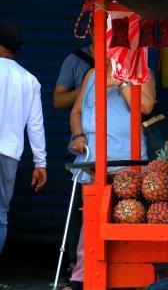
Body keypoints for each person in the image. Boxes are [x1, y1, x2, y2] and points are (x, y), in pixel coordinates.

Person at [65, 56, 155, 290]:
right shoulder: (91, 74)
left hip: (128, 162)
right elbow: (76, 111)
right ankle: (82, 278)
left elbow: (145, 106)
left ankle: (127, 277)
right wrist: (77, 135)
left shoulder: (142, 72)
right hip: (93, 161)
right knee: (91, 222)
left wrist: (122, 82)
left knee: (128, 218)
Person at [0, 20, 47, 254]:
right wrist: (41, 163)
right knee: (0, 215)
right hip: (9, 155)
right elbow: (35, 125)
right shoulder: (30, 80)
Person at [53, 42, 94, 283]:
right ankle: (75, 266)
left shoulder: (126, 66)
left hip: (119, 148)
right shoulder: (75, 60)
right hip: (85, 147)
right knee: (80, 209)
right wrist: (89, 86)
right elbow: (58, 101)